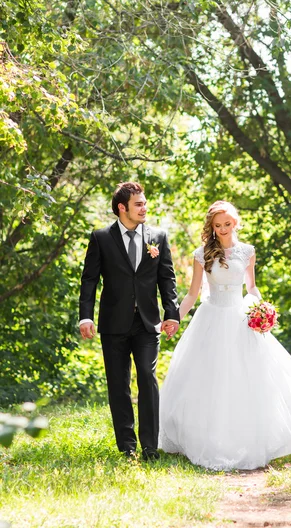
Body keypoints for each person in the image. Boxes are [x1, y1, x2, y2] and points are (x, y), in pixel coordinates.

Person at [159, 200, 291, 470]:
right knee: (210, 378)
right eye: (218, 226)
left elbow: (251, 287)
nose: (223, 229)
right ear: (212, 227)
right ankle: (204, 437)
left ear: (235, 222)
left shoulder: (247, 252)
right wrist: (175, 318)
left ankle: (253, 435)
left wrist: (261, 309)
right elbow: (192, 293)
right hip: (212, 318)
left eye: (227, 224)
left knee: (249, 376)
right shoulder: (202, 253)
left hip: (240, 318)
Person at [79, 181, 180, 460]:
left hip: (148, 323)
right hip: (113, 323)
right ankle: (127, 447)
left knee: (147, 378)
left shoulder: (158, 237)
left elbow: (167, 279)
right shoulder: (100, 238)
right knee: (118, 383)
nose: (144, 207)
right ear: (122, 208)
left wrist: (172, 314)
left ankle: (150, 446)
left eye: (145, 203)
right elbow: (89, 280)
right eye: (139, 204)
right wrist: (85, 316)